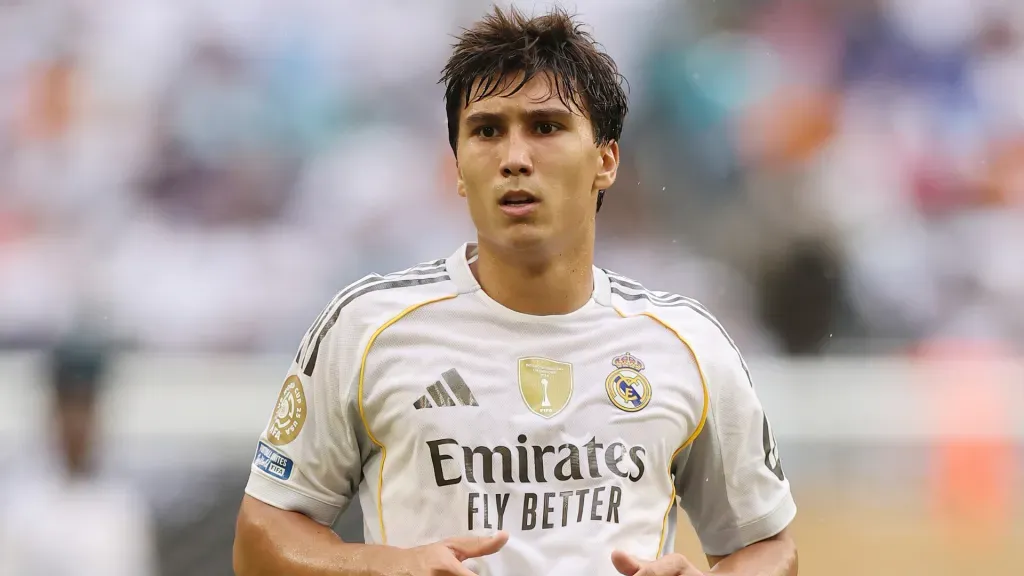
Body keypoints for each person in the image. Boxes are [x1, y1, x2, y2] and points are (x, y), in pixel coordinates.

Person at [232, 6, 797, 576]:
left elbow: (769, 547)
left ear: (606, 160)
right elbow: (261, 538)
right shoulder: (367, 327)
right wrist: (381, 567)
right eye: (486, 131)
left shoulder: (687, 344)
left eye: (546, 127)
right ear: (457, 166)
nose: (515, 159)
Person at [0, 336, 159, 576]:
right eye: (68, 407)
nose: (77, 425)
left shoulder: (121, 506)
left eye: (85, 408)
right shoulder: (19, 504)